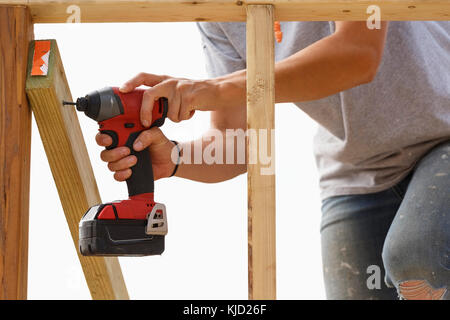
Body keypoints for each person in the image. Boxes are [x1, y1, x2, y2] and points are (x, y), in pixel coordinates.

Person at [95, 21, 450, 300]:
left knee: (418, 259)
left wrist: (216, 89)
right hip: (357, 168)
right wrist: (173, 157)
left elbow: (357, 54)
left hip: (443, 134)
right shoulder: (224, 11)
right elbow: (237, 143)